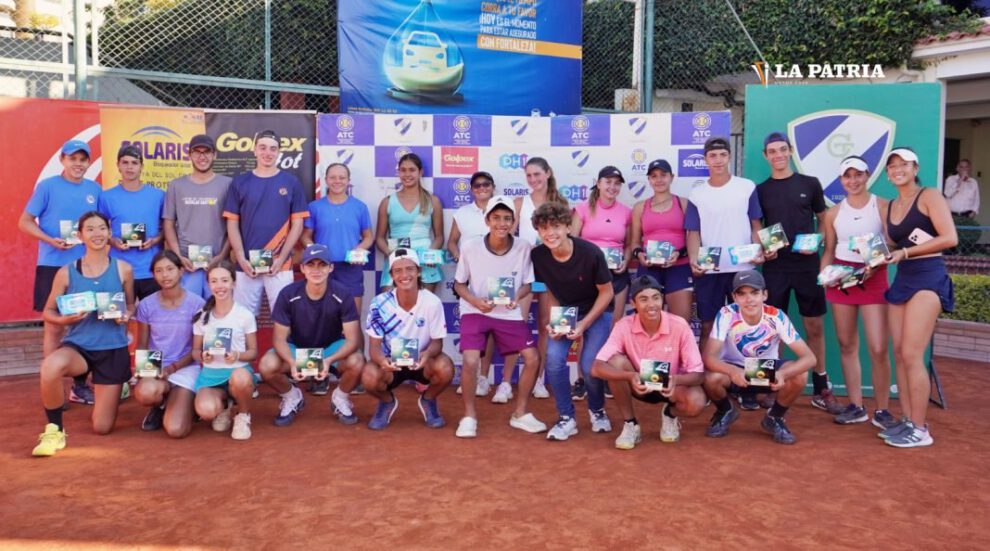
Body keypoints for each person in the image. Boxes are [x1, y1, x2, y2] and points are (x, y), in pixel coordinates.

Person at [32, 211, 135, 456]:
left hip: (112, 349)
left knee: (102, 427)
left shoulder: (124, 269)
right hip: (79, 347)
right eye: (90, 229)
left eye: (102, 228)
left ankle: (113, 387)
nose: (97, 234)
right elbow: (48, 311)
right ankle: (54, 430)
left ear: (110, 234)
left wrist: (126, 315)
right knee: (50, 366)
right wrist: (64, 319)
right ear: (80, 235)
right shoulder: (67, 272)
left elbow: (130, 305)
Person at [757, 132, 840, 414]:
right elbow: (757, 224)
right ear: (765, 156)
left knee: (814, 327)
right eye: (772, 151)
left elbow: (823, 220)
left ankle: (821, 387)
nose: (778, 155)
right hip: (775, 267)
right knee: (774, 331)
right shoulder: (761, 189)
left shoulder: (810, 184)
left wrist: (817, 240)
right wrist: (762, 247)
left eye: (782, 150)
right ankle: (772, 385)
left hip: (807, 266)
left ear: (790, 151)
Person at [452, 196, 547, 438]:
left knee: (532, 357)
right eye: (496, 218)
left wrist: (517, 296)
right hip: (475, 311)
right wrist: (474, 301)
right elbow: (459, 285)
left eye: (507, 218)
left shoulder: (523, 246)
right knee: (471, 361)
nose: (502, 223)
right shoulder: (470, 246)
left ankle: (520, 413)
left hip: (508, 312)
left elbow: (528, 284)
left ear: (514, 222)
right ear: (487, 220)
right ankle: (469, 416)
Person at [881, 147, 957, 448]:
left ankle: (921, 428)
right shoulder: (892, 205)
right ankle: (908, 420)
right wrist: (873, 252)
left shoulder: (930, 195)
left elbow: (950, 238)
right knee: (899, 352)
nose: (897, 169)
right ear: (887, 173)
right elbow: (891, 242)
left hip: (928, 276)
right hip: (904, 277)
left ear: (915, 168)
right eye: (892, 166)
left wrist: (905, 252)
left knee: (913, 354)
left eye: (903, 164)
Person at [19, 139, 103, 406]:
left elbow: (99, 227)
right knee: (54, 327)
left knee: (85, 325)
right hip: (53, 265)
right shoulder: (47, 187)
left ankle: (79, 387)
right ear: (63, 160)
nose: (78, 164)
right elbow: (24, 221)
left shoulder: (94, 189)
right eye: (73, 158)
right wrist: (49, 239)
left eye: (83, 159)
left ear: (88, 162)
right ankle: (51, 387)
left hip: (84, 267)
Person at [820, 155, 896, 428]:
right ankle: (856, 406)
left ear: (867, 176)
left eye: (858, 175)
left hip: (873, 277)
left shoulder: (883, 206)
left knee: (877, 347)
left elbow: (889, 243)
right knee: (847, 344)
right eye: (847, 176)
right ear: (841, 180)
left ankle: (883, 410)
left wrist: (873, 267)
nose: (853, 180)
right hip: (842, 279)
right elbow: (829, 250)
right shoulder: (833, 213)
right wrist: (825, 275)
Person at [530, 202, 615, 441]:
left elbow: (607, 293)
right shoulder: (538, 255)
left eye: (556, 226)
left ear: (568, 227)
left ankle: (597, 411)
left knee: (589, 366)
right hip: (567, 311)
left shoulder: (590, 252)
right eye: (544, 228)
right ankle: (567, 418)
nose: (550, 233)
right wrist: (555, 321)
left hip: (597, 310)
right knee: (554, 361)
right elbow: (551, 289)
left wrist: (584, 324)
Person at [701, 270, 817, 445]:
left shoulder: (776, 316)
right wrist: (732, 371)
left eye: (754, 293)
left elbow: (809, 358)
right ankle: (725, 411)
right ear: (734, 297)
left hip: (768, 371)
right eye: (742, 294)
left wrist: (782, 375)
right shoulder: (726, 314)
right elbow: (709, 357)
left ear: (765, 295)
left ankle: (775, 417)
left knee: (799, 374)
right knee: (710, 377)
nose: (749, 300)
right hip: (735, 371)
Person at [591, 275, 706, 450]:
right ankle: (631, 424)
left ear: (662, 299)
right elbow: (597, 367)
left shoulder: (679, 325)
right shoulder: (623, 325)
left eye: (656, 298)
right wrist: (630, 376)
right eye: (643, 299)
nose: (651, 305)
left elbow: (698, 376)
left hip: (671, 387)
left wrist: (676, 380)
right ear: (634, 303)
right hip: (638, 384)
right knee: (615, 363)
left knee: (696, 401)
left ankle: (669, 414)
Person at [258, 244, 365, 427]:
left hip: (330, 349)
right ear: (303, 268)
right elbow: (279, 339)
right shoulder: (288, 294)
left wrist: (329, 360)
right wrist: (292, 363)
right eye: (311, 264)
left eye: (322, 265)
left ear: (330, 268)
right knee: (267, 365)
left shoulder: (342, 294)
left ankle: (340, 398)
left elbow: (353, 340)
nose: (316, 270)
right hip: (297, 349)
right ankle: (292, 396)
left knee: (357, 361)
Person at [685, 137, 763, 352]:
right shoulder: (697, 194)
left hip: (744, 269)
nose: (718, 160)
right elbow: (693, 232)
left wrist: (759, 251)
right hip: (711, 271)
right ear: (705, 160)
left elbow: (756, 224)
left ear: (729, 157)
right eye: (713, 155)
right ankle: (706, 380)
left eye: (722, 155)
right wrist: (693, 260)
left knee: (748, 324)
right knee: (710, 325)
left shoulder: (746, 187)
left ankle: (748, 379)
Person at [362, 249, 454, 430]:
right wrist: (382, 361)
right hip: (391, 365)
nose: (404, 275)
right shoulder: (379, 303)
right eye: (398, 270)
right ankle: (387, 402)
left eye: (409, 269)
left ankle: (428, 400)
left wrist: (426, 355)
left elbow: (437, 342)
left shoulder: (432, 302)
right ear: (391, 275)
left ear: (418, 271)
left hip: (421, 362)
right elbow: (374, 348)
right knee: (369, 376)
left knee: (445, 368)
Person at [302, 162, 373, 396]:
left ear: (348, 180)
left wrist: (360, 249)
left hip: (350, 270)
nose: (337, 181)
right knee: (317, 323)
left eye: (342, 177)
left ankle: (358, 374)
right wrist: (315, 253)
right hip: (321, 270)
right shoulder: (314, 207)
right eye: (333, 177)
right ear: (326, 179)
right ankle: (317, 376)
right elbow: (305, 236)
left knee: (351, 323)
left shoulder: (359, 207)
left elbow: (368, 236)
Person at [447, 171, 518, 399]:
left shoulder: (503, 212)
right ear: (471, 189)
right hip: (471, 276)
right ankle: (474, 376)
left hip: (500, 275)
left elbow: (511, 242)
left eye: (486, 184)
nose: (482, 188)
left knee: (494, 325)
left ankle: (484, 377)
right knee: (475, 327)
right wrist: (461, 258)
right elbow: (451, 243)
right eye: (477, 185)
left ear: (493, 186)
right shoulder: (463, 213)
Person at [222, 130, 308, 316]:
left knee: (284, 318)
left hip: (280, 264)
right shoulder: (240, 182)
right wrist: (241, 258)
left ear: (278, 152)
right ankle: (245, 348)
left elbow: (298, 224)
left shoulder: (291, 182)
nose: (267, 153)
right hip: (246, 265)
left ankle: (281, 348)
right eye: (263, 148)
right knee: (242, 318)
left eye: (273, 149)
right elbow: (232, 224)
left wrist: (282, 257)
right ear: (254, 151)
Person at [571, 166, 633, 400]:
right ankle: (582, 379)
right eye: (608, 182)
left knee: (613, 328)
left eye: (617, 183)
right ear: (598, 183)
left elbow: (628, 244)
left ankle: (606, 377)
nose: (612, 187)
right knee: (585, 328)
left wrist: (626, 261)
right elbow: (573, 242)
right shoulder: (582, 209)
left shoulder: (626, 212)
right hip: (588, 278)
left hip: (616, 277)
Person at [132, 250, 207, 436]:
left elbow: (198, 348)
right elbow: (142, 343)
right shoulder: (146, 305)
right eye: (159, 270)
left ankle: (183, 402)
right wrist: (142, 369)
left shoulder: (197, 304)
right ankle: (160, 404)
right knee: (145, 393)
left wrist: (172, 369)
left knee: (176, 429)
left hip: (186, 367)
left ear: (181, 271)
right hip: (157, 368)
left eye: (170, 269)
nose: (165, 275)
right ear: (153, 274)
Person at [512, 157, 566, 400]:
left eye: (537, 174)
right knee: (516, 324)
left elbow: (568, 238)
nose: (533, 180)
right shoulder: (519, 203)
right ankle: (506, 381)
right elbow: (507, 237)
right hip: (524, 271)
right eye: (529, 176)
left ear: (548, 173)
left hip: (550, 272)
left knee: (546, 325)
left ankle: (540, 381)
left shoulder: (561, 203)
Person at [191, 261, 259, 441]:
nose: (219, 286)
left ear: (234, 283)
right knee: (205, 410)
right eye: (214, 281)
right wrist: (203, 356)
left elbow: (253, 352)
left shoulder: (245, 315)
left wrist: (237, 355)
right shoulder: (202, 316)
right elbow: (195, 351)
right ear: (209, 284)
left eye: (224, 280)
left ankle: (243, 415)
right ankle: (227, 407)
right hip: (211, 375)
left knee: (240, 377)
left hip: (237, 371)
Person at [162, 134, 232, 299]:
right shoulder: (176, 185)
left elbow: (234, 225)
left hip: (218, 263)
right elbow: (168, 224)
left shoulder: (228, 184)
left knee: (217, 311)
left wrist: (222, 255)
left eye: (207, 152)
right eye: (197, 152)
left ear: (214, 155)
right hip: (187, 265)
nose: (202, 157)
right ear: (190, 155)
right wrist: (179, 256)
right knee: (189, 313)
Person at [631, 159, 694, 325]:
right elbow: (635, 243)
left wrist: (678, 253)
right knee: (647, 322)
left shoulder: (683, 203)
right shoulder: (640, 207)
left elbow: (693, 239)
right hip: (649, 268)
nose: (659, 180)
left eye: (663, 175)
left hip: (679, 266)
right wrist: (639, 255)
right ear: (649, 180)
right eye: (654, 176)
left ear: (671, 177)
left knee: (681, 323)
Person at [97, 145, 165, 300]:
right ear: (118, 165)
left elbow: (167, 229)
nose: (129, 167)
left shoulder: (158, 196)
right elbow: (98, 230)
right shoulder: (106, 197)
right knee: (119, 317)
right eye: (125, 162)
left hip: (151, 269)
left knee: (151, 320)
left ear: (141, 166)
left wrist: (155, 240)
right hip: (118, 269)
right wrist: (112, 241)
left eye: (134, 163)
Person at [374, 153, 444, 293]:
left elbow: (439, 237)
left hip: (424, 262)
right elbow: (379, 238)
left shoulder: (433, 200)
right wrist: (391, 254)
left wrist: (429, 254)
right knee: (390, 309)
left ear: (420, 172)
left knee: (423, 310)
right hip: (396, 259)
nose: (407, 174)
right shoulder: (387, 202)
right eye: (403, 170)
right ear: (398, 172)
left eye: (412, 170)